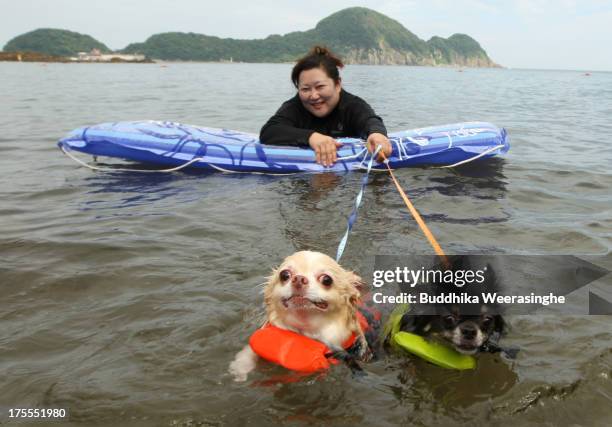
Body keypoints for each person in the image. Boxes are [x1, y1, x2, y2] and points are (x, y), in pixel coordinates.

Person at [260, 46, 393, 167]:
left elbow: (370, 121)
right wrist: (311, 137)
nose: (313, 96)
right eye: (305, 89)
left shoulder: (352, 105)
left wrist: (377, 134)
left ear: (337, 84)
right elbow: (269, 131)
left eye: (320, 87)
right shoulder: (295, 106)